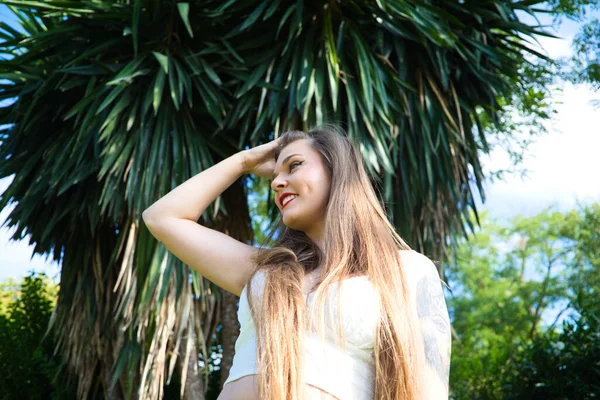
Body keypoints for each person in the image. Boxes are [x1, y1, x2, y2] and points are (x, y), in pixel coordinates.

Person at [142, 126, 451, 400]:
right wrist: (244, 161)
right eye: (274, 176)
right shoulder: (265, 270)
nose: (277, 182)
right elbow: (162, 217)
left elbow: (430, 389)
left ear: (336, 169)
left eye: (294, 166)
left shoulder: (406, 269)